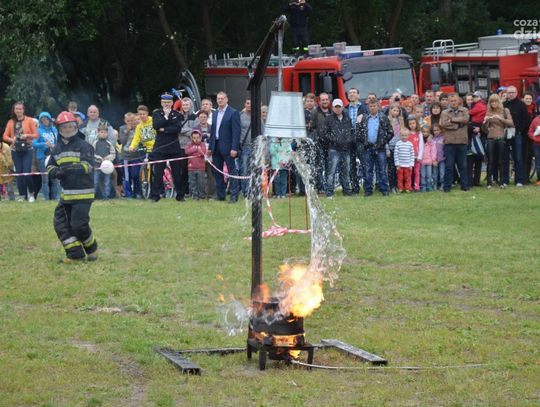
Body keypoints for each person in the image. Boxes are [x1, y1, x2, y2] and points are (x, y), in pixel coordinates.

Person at [47, 111, 97, 263]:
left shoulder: (85, 146)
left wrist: (68, 170)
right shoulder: (56, 149)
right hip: (66, 196)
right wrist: (54, 172)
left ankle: (92, 248)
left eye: (70, 126)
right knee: (60, 224)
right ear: (59, 130)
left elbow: (88, 166)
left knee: (78, 225)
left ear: (76, 127)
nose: (67, 129)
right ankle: (76, 254)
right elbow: (50, 165)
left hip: (83, 194)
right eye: (64, 127)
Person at [151, 93, 185, 202]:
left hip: (174, 148)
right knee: (158, 173)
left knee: (177, 173)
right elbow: (156, 126)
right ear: (161, 103)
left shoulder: (176, 114)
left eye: (168, 102)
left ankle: (180, 195)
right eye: (164, 102)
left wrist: (164, 129)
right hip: (160, 148)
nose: (166, 104)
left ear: (172, 103)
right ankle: (155, 195)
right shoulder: (156, 113)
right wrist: (166, 117)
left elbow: (177, 128)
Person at [208, 91, 241, 203]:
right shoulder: (215, 113)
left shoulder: (233, 113)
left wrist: (234, 148)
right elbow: (213, 131)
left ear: (227, 99)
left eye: (222, 98)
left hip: (228, 147)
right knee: (217, 172)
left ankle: (234, 196)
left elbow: (236, 132)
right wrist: (210, 147)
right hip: (216, 146)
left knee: (232, 172)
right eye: (218, 98)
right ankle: (220, 195)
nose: (220, 100)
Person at [2, 101, 38, 202]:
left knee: (26, 172)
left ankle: (31, 194)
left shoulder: (29, 120)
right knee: (19, 174)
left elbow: (36, 135)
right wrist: (11, 140)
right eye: (17, 109)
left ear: (23, 110)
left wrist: (27, 135)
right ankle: (22, 195)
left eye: (20, 109)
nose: (18, 111)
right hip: (15, 150)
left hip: (27, 149)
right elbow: (5, 136)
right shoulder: (10, 122)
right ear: (14, 110)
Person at [357, 99, 393, 196]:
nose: (372, 108)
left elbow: (390, 132)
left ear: (378, 107)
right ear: (368, 107)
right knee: (368, 170)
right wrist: (363, 141)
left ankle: (384, 190)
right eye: (371, 106)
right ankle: (368, 190)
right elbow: (359, 132)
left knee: (382, 170)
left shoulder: (383, 117)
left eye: (374, 106)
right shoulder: (364, 118)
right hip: (368, 147)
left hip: (380, 148)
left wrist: (383, 141)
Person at [322, 98, 354, 197]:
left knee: (345, 171)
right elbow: (325, 133)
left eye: (339, 107)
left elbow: (351, 131)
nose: (338, 108)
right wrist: (335, 140)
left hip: (346, 149)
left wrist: (349, 140)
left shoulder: (347, 118)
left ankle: (346, 190)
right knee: (331, 171)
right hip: (333, 149)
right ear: (333, 108)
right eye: (336, 107)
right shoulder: (328, 119)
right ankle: (329, 192)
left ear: (342, 107)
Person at [440, 93, 470, 192]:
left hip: (462, 142)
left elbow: (466, 119)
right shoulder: (444, 112)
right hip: (449, 142)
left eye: (455, 100)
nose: (453, 102)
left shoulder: (464, 110)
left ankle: (465, 186)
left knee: (463, 166)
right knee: (449, 166)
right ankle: (447, 186)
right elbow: (444, 124)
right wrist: (458, 125)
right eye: (451, 101)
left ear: (459, 101)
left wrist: (452, 120)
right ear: (449, 102)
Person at [483, 94, 513, 189]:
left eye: (495, 101)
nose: (493, 103)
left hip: (501, 137)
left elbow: (511, 123)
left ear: (499, 102)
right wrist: (485, 122)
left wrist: (501, 118)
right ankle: (489, 182)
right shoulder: (488, 112)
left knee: (501, 161)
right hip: (491, 138)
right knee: (490, 161)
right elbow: (484, 130)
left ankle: (501, 182)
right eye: (491, 102)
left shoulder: (505, 110)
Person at [503, 86, 529, 187]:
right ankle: (505, 180)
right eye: (509, 92)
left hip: (517, 134)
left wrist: (519, 130)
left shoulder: (521, 104)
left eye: (512, 92)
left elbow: (526, 120)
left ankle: (519, 181)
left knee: (518, 157)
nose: (511, 94)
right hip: (505, 133)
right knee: (505, 158)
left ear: (516, 93)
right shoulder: (503, 104)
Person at [33, 112, 59, 200]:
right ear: (40, 121)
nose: (45, 121)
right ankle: (46, 199)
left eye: (46, 119)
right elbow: (34, 143)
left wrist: (54, 146)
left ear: (49, 119)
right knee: (45, 179)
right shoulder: (38, 130)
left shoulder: (54, 130)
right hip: (42, 157)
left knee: (55, 178)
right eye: (43, 120)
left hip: (54, 156)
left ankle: (55, 198)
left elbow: (58, 142)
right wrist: (44, 144)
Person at [310, 92, 332, 193]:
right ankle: (321, 187)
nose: (325, 101)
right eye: (323, 100)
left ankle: (329, 187)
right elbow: (312, 127)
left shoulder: (332, 112)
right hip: (319, 143)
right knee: (319, 166)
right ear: (319, 101)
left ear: (329, 100)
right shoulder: (315, 113)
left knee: (329, 167)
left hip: (331, 143)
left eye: (326, 99)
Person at [92, 123, 116, 200]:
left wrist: (108, 158)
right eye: (101, 132)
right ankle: (93, 196)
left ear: (107, 133)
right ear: (98, 133)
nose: (103, 134)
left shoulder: (109, 144)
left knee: (107, 181)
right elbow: (92, 153)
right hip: (97, 166)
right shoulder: (95, 143)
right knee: (95, 181)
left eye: (105, 132)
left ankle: (106, 196)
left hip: (107, 167)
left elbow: (113, 153)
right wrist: (99, 158)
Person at [179, 97, 196, 198]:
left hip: (191, 147)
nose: (185, 106)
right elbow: (178, 129)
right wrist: (188, 130)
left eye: (187, 105)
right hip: (181, 146)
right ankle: (184, 191)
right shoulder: (179, 116)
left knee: (192, 169)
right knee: (183, 169)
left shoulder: (195, 117)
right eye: (184, 105)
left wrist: (184, 130)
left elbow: (195, 132)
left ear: (190, 105)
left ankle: (193, 190)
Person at [118, 112, 138, 198]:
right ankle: (128, 194)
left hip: (136, 155)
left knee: (136, 175)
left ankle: (137, 193)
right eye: (128, 121)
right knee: (127, 176)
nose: (130, 122)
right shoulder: (122, 128)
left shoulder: (138, 128)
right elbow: (122, 141)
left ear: (134, 120)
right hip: (126, 156)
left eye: (131, 120)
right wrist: (127, 131)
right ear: (125, 120)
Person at [386, 103, 405, 193]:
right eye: (394, 110)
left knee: (399, 167)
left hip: (399, 147)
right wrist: (387, 148)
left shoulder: (401, 120)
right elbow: (385, 135)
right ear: (390, 111)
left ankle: (399, 185)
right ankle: (392, 186)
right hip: (391, 147)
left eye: (397, 110)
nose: (396, 112)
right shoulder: (387, 120)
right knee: (391, 168)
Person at [184, 129, 208, 200]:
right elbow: (187, 152)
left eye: (198, 138)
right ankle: (195, 196)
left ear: (201, 137)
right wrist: (195, 149)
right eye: (194, 138)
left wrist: (197, 150)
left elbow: (203, 152)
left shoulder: (203, 145)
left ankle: (202, 195)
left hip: (201, 168)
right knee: (192, 183)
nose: (196, 139)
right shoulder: (189, 145)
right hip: (191, 168)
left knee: (201, 183)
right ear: (191, 138)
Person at [405, 115, 424, 191]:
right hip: (409, 157)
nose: (412, 125)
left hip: (417, 156)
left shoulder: (419, 133)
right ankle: (409, 186)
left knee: (416, 172)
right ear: (408, 124)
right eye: (410, 124)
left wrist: (420, 156)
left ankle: (416, 186)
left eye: (413, 123)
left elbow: (421, 145)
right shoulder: (407, 133)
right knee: (409, 172)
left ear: (416, 123)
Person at [393, 128, 414, 192]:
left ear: (408, 136)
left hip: (408, 165)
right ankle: (400, 188)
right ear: (400, 135)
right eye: (402, 135)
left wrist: (411, 164)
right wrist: (397, 164)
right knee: (400, 178)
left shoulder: (410, 144)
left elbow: (412, 155)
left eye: (405, 135)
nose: (404, 137)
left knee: (408, 177)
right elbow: (395, 154)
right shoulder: (398, 144)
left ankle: (407, 188)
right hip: (400, 165)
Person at [238, 98, 252, 198]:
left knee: (253, 170)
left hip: (254, 146)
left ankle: (252, 190)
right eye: (248, 103)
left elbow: (262, 130)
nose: (249, 105)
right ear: (245, 104)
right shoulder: (240, 116)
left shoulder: (257, 116)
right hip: (244, 146)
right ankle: (245, 191)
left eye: (251, 103)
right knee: (244, 169)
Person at [420, 124, 436, 192]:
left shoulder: (431, 141)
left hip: (429, 161)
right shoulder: (420, 140)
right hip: (422, 161)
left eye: (427, 132)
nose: (425, 133)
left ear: (429, 132)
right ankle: (423, 186)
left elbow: (433, 151)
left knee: (429, 175)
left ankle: (429, 186)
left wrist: (433, 159)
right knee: (423, 175)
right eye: (423, 132)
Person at [527, 113, 540, 186]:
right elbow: (530, 132)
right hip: (537, 145)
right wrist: (534, 138)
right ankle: (539, 179)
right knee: (538, 163)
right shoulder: (535, 120)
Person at [432, 123, 445, 190]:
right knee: (435, 173)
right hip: (434, 160)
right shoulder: (432, 139)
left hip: (442, 159)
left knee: (442, 173)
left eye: (437, 130)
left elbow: (445, 149)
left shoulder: (443, 138)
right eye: (434, 130)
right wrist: (433, 160)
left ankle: (442, 184)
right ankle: (435, 184)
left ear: (440, 130)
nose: (436, 132)